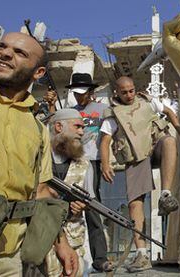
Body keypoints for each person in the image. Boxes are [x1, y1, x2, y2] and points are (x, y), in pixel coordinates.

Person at [0, 32, 78, 276]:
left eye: (20, 53)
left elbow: (41, 190)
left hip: (8, 255)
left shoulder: (37, 127)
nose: (6, 54)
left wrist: (61, 243)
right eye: (2, 47)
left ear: (38, 73)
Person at [100, 76, 180, 273]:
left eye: (132, 90)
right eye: (124, 92)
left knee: (169, 141)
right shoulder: (112, 113)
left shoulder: (147, 100)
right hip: (135, 157)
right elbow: (105, 140)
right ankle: (142, 253)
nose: (129, 95)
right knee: (136, 203)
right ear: (117, 92)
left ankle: (165, 194)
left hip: (154, 146)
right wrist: (105, 163)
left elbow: (168, 111)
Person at [44, 73, 114, 272]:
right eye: (78, 127)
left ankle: (100, 257)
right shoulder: (68, 112)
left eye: (83, 92)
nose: (82, 132)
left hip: (90, 163)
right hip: (64, 161)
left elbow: (111, 132)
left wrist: (106, 162)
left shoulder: (102, 109)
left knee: (92, 209)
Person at [46, 108, 99, 276]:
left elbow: (89, 201)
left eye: (82, 128)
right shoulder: (40, 159)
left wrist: (81, 205)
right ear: (59, 127)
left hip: (73, 245)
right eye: (77, 126)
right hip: (42, 244)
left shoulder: (84, 164)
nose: (82, 132)